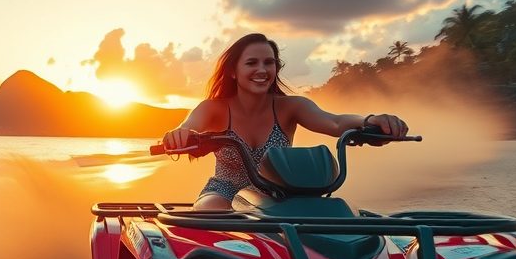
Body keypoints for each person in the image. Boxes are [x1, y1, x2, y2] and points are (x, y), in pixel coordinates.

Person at [162, 32, 408, 210]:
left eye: (269, 62)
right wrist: (179, 135)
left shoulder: (291, 106)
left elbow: (335, 122)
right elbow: (188, 126)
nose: (262, 69)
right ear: (233, 72)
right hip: (225, 191)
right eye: (251, 63)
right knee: (210, 209)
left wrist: (370, 120)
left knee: (333, 214)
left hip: (279, 195)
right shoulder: (213, 108)